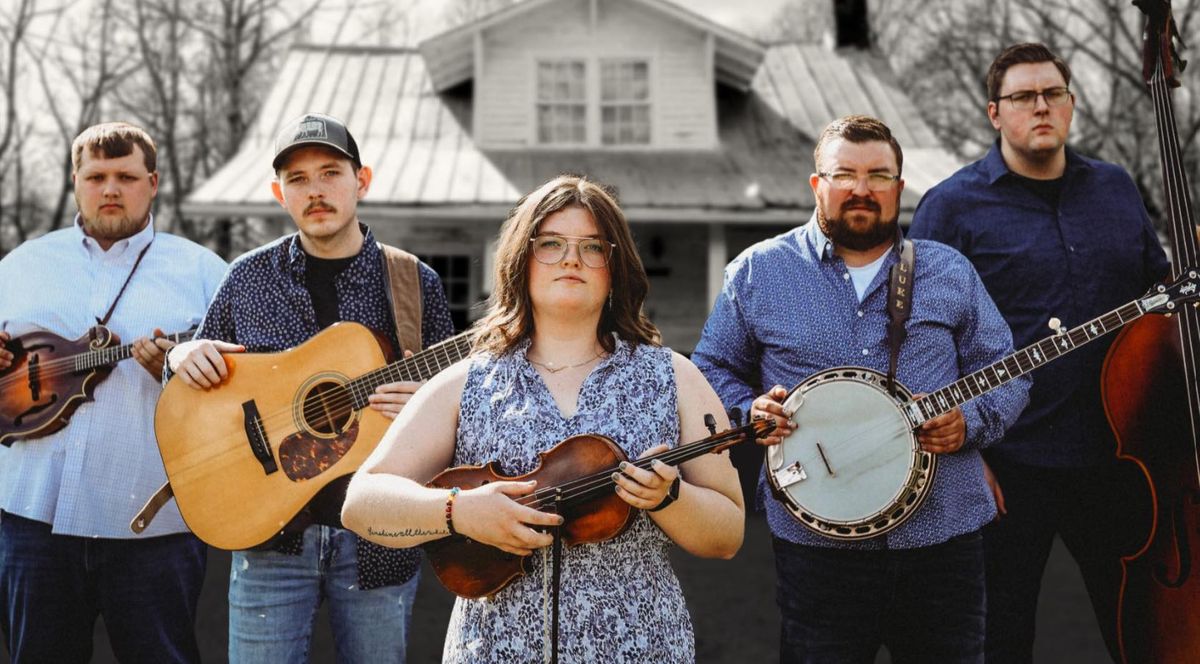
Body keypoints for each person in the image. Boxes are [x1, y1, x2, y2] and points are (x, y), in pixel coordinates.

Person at [341, 174, 745, 663]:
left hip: (640, 645)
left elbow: (729, 535)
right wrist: (457, 511)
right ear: (521, 262)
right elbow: (362, 503)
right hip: (493, 650)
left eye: (593, 247)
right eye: (550, 243)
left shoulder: (674, 376)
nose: (571, 258)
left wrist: (670, 497)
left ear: (615, 269)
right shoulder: (467, 381)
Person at [692, 115, 1030, 664]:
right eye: (844, 174)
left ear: (899, 187)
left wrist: (972, 420)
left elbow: (1009, 369)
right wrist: (746, 408)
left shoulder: (949, 271)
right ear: (816, 184)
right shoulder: (758, 271)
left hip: (942, 538)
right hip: (816, 547)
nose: (862, 189)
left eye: (879, 175)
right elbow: (709, 368)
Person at [908, 43, 1171, 663]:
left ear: (1072, 105)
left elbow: (1159, 301)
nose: (1041, 107)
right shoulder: (952, 206)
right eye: (1025, 97)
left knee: (1144, 630)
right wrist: (969, 449)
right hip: (1009, 460)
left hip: (1121, 455)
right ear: (995, 113)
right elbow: (920, 340)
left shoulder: (1114, 188)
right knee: (1001, 637)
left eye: (1054, 94)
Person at [167, 112, 455, 663]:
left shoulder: (414, 283)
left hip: (379, 538)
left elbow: (459, 400)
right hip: (268, 537)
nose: (315, 190)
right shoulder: (248, 278)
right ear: (280, 193)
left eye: (330, 173)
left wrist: (423, 409)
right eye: (298, 179)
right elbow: (190, 380)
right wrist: (182, 355)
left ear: (361, 181)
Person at [0, 122, 227, 662]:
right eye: (96, 176)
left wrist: (174, 374)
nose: (110, 189)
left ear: (152, 183)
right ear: (75, 181)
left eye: (126, 176)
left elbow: (242, 394)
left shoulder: (203, 272)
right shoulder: (21, 266)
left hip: (155, 528)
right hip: (31, 517)